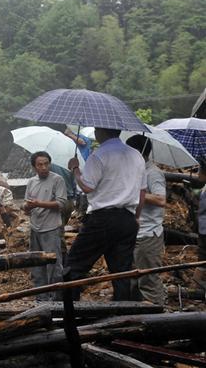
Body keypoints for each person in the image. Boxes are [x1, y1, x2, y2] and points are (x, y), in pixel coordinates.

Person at [66, 127, 147, 301]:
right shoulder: (136, 155)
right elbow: (142, 192)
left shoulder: (99, 155)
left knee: (74, 265)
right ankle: (125, 313)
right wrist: (137, 217)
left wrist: (75, 169)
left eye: (96, 129)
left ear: (100, 132)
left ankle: (68, 311)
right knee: (122, 271)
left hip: (102, 219)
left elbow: (87, 187)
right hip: (127, 218)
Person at [126, 135, 167, 305]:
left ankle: (158, 317)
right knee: (132, 278)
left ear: (139, 152)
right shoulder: (137, 171)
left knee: (148, 279)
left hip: (149, 233)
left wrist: (138, 191)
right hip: (135, 231)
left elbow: (161, 200)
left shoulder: (154, 173)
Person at [24, 152, 67, 300]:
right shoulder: (31, 182)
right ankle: (41, 300)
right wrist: (28, 207)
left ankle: (56, 301)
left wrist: (38, 204)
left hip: (52, 228)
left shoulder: (57, 180)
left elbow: (61, 204)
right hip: (35, 227)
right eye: (40, 165)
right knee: (37, 265)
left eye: (46, 163)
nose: (43, 167)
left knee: (54, 266)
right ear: (34, 167)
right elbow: (26, 205)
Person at [192, 156, 206, 289]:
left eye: (199, 171)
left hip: (204, 229)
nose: (197, 174)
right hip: (203, 228)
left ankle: (195, 286)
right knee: (202, 258)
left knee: (202, 258)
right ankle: (194, 286)